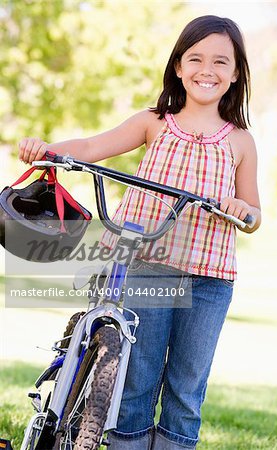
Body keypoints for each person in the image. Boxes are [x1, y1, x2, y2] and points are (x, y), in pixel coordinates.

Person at [19, 15, 261, 450]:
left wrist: (243, 209)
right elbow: (93, 147)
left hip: (208, 277)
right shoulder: (156, 122)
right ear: (178, 68)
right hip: (148, 266)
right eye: (196, 59)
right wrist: (49, 150)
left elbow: (254, 213)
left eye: (221, 62)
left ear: (236, 73)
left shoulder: (240, 141)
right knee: (136, 381)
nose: (207, 69)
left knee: (186, 390)